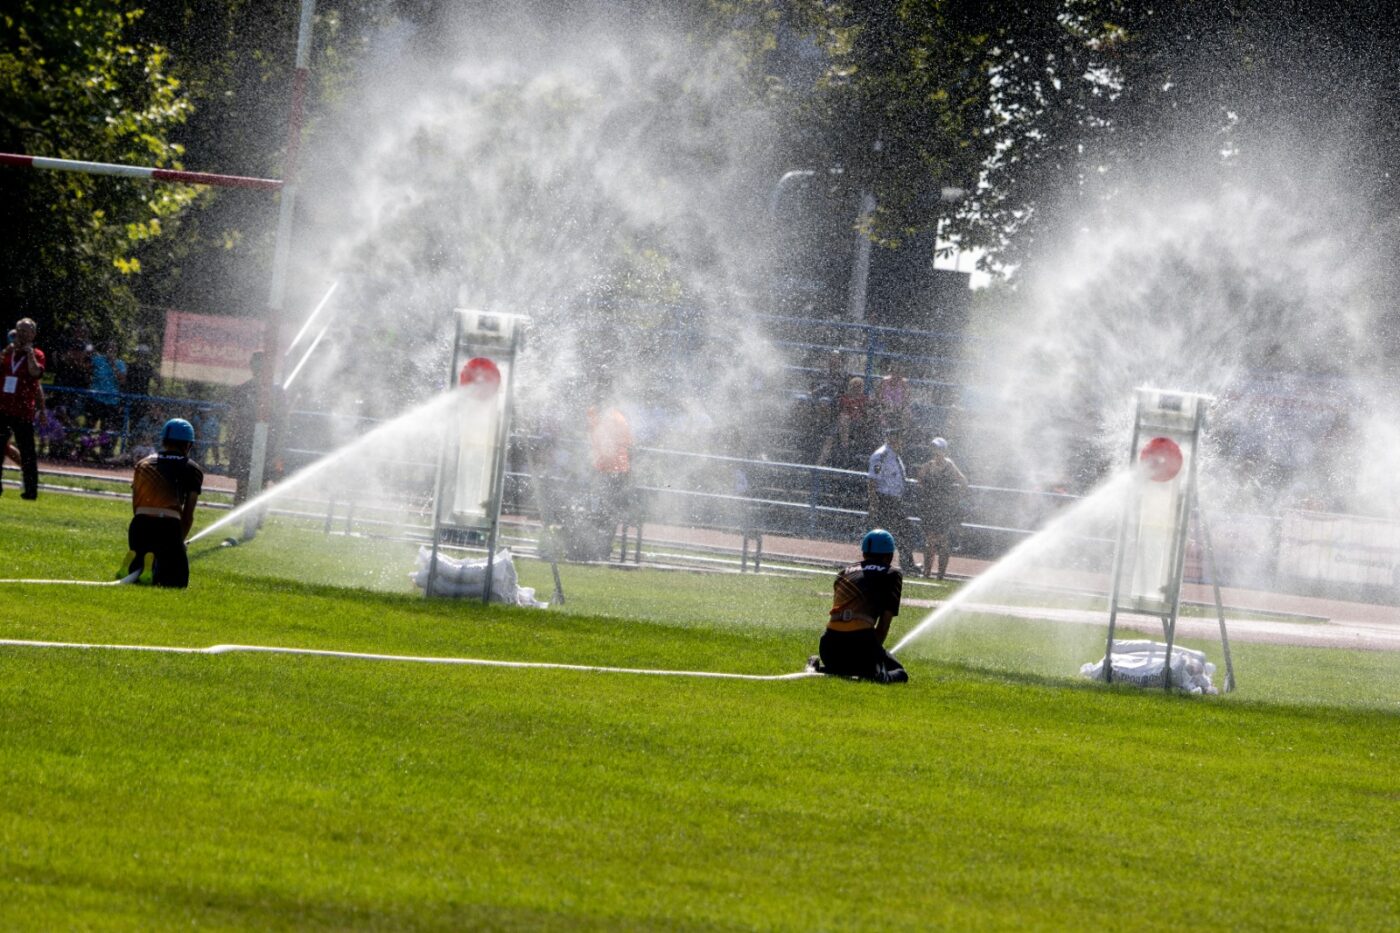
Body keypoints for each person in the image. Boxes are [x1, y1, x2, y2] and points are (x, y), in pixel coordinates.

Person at [809, 528, 909, 684]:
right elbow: (883, 626)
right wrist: (874, 655)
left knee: (845, 670)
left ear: (863, 553)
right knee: (900, 673)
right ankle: (878, 675)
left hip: (828, 647)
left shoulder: (844, 572)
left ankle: (816, 667)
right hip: (861, 644)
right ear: (890, 556)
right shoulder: (892, 574)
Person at [127, 418, 203, 588]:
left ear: (163, 440)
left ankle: (139, 564)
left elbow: (135, 505)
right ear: (188, 445)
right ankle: (153, 566)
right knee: (177, 583)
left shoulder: (143, 464)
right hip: (168, 527)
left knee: (138, 576)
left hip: (139, 526)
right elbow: (188, 514)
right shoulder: (192, 468)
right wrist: (179, 541)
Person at [0, 318, 47, 499]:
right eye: (20, 330)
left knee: (27, 452)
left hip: (23, 411)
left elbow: (36, 374)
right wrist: (5, 352)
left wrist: (29, 355)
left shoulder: (37, 354)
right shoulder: (7, 353)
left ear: (33, 334)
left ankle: (30, 490)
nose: (22, 334)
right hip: (3, 408)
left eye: (27, 331)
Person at [915, 436, 970, 580]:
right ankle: (926, 573)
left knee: (943, 541)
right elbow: (919, 481)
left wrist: (955, 499)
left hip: (944, 510)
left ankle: (940, 575)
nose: (935, 452)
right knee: (930, 541)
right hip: (930, 508)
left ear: (944, 451)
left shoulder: (949, 465)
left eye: (938, 449)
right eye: (934, 448)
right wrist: (927, 496)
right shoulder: (928, 465)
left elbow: (964, 482)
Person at [866, 425, 918, 572]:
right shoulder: (881, 455)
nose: (901, 440)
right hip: (884, 499)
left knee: (900, 531)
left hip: (894, 500)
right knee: (897, 531)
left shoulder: (895, 455)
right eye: (898, 437)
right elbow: (872, 480)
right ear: (892, 438)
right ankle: (903, 564)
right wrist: (874, 503)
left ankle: (905, 563)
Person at [587, 403, 634, 558]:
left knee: (607, 511)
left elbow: (609, 445)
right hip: (608, 470)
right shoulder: (599, 413)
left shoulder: (614, 418)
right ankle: (598, 544)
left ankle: (602, 546)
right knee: (601, 510)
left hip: (613, 472)